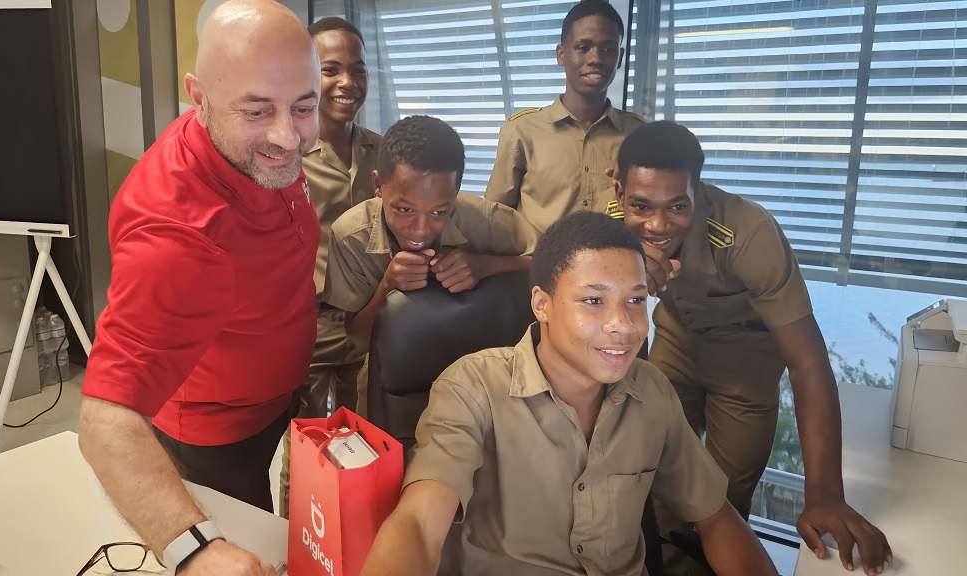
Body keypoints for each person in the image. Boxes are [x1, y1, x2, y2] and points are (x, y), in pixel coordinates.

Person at [360, 211, 778, 576]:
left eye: (635, 300)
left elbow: (716, 517)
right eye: (594, 300)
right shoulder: (473, 387)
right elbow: (417, 523)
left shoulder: (651, 391)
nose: (623, 324)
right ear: (542, 305)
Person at [78, 1, 318, 574]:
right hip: (216, 434)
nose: (288, 137)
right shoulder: (177, 238)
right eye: (258, 110)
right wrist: (193, 550)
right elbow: (105, 421)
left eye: (303, 106)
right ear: (199, 98)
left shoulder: (257, 146)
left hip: (276, 394)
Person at [611, 121, 893, 575]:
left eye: (677, 206)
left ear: (698, 196)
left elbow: (806, 360)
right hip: (676, 343)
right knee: (656, 471)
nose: (657, 224)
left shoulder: (748, 232)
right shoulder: (609, 222)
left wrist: (823, 493)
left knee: (723, 494)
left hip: (747, 360)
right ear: (619, 189)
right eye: (640, 205)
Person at [322, 115, 538, 352]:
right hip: (393, 367)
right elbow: (360, 339)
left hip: (475, 358)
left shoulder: (483, 218)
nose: (421, 229)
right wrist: (387, 287)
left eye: (438, 212)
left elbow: (552, 261)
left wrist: (485, 265)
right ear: (378, 185)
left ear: (455, 194)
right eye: (405, 209)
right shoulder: (351, 236)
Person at [277, 16, 379, 519]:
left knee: (361, 438)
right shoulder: (284, 154)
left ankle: (351, 532)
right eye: (331, 69)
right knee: (307, 443)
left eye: (357, 70)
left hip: (372, 318)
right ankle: (298, 544)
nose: (348, 83)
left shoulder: (382, 152)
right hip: (309, 324)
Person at [484, 0, 645, 232]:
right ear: (561, 55)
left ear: (619, 58)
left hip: (612, 265)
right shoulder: (521, 131)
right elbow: (495, 219)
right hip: (535, 266)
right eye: (583, 47)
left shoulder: (638, 135)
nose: (596, 59)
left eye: (608, 49)